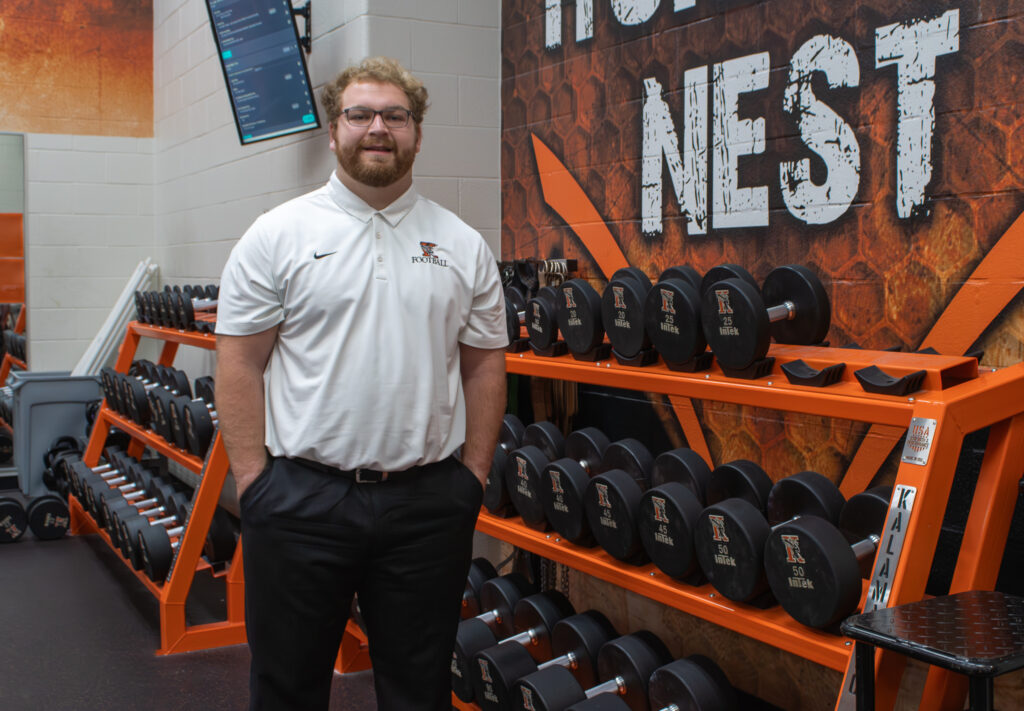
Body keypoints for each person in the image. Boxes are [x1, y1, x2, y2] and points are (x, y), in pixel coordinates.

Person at [214, 56, 508, 711]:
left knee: (419, 687)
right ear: (334, 130)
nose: (378, 128)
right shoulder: (278, 236)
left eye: (395, 116)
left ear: (417, 134)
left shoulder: (461, 245)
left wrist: (473, 477)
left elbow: (486, 363)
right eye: (361, 114)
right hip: (298, 499)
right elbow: (239, 363)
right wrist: (253, 482)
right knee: (286, 685)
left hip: (427, 504)